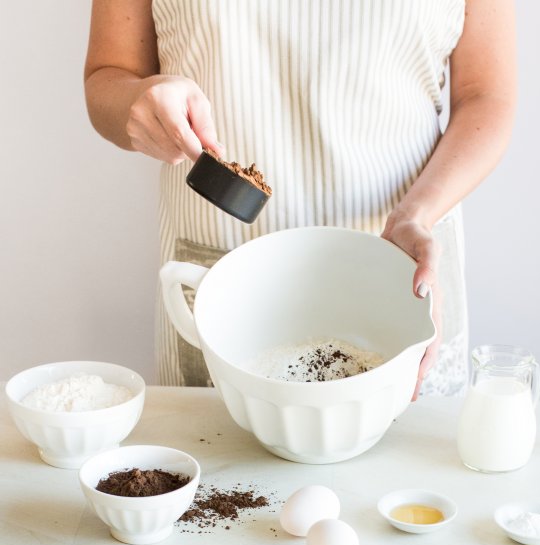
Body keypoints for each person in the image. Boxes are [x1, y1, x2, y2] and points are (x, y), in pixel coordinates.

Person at [84, 0, 516, 397]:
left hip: (401, 262)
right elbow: (109, 75)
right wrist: (135, 103)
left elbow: (487, 95)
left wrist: (416, 213)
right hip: (219, 279)